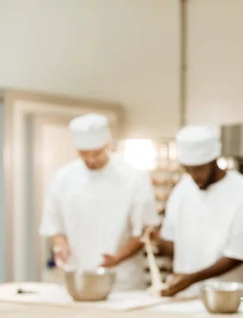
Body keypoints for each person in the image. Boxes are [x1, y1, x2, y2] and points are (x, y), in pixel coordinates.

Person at [39, 113, 159, 291]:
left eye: (97, 153)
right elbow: (53, 225)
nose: (91, 160)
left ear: (108, 145)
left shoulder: (134, 177)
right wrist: (60, 247)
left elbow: (145, 231)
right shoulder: (64, 177)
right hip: (78, 274)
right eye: (84, 154)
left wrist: (117, 258)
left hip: (121, 279)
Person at [157, 125, 243, 297]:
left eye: (198, 169)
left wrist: (191, 278)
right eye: (187, 169)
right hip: (183, 296)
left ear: (213, 161)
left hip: (226, 298)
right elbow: (174, 245)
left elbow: (238, 254)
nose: (192, 175)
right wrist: (156, 240)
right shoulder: (182, 190)